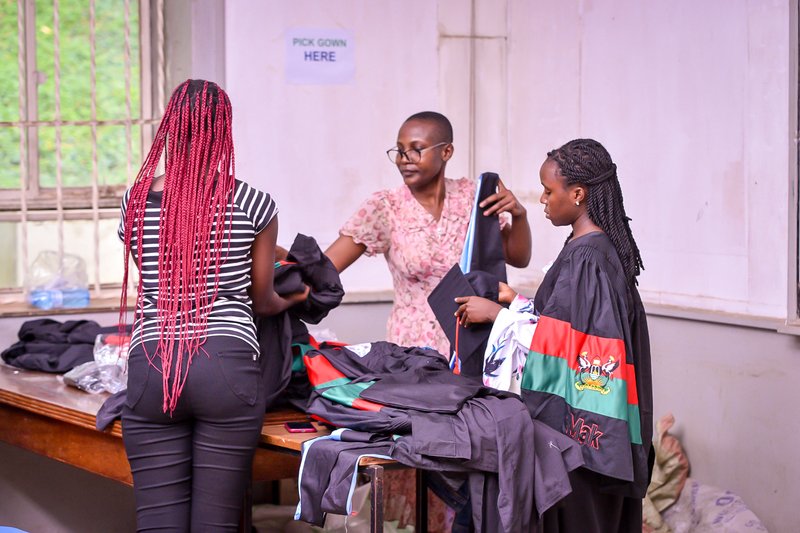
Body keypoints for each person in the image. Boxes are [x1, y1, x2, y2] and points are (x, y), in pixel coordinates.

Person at [117, 79, 306, 531]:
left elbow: (157, 274)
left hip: (153, 364)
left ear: (169, 127)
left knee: (158, 523)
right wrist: (291, 299)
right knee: (217, 523)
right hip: (225, 364)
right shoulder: (254, 203)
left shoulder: (135, 200)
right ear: (223, 131)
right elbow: (261, 300)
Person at [454, 138, 653, 532]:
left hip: (581, 440)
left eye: (549, 191)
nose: (543, 200)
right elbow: (570, 323)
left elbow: (584, 351)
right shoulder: (592, 248)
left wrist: (497, 315)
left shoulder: (588, 257)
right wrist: (517, 302)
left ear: (578, 194)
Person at [325, 111, 532, 357]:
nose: (405, 159)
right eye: (400, 151)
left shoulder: (471, 198)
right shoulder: (385, 206)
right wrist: (289, 267)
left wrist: (519, 216)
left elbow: (517, 258)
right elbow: (326, 267)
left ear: (446, 152)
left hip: (471, 345)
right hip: (411, 352)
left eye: (416, 149)